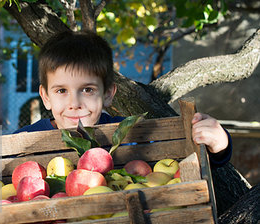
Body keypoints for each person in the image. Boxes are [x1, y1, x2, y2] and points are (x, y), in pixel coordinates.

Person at [13, 30, 231, 167]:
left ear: (108, 94)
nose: (74, 103)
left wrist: (218, 145)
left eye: (88, 90)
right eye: (61, 91)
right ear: (46, 97)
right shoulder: (24, 142)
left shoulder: (127, 135)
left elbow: (178, 157)